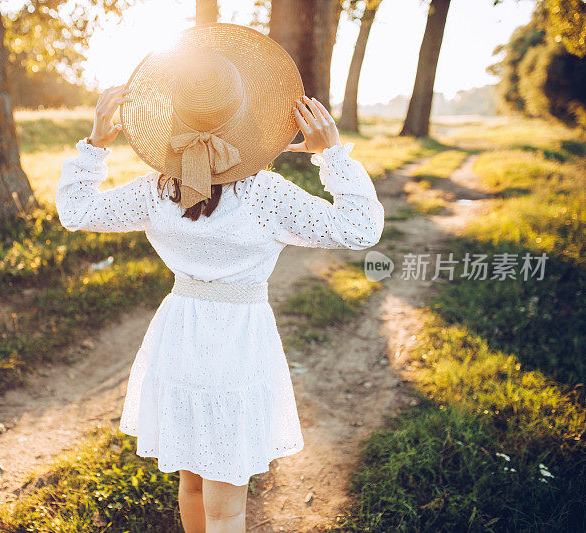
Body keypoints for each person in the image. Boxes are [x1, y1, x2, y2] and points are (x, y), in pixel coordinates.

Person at [56, 23, 384, 533]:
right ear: (247, 116)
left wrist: (97, 142)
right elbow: (361, 228)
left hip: (179, 334)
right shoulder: (267, 195)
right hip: (239, 343)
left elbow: (76, 211)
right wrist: (331, 154)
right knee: (227, 504)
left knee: (190, 483)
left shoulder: (157, 190)